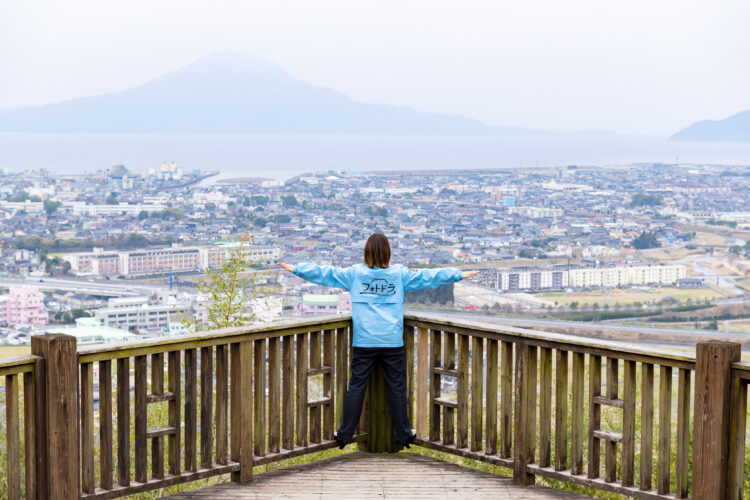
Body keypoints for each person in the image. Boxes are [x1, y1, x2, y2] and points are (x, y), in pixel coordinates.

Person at [279, 233, 479, 449]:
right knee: (396, 387)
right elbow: (428, 276)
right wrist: (457, 275)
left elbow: (327, 274)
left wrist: (297, 268)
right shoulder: (399, 274)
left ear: (366, 252)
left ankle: (345, 434)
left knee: (356, 387)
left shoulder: (355, 274)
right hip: (391, 340)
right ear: (388, 253)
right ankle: (404, 433)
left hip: (364, 340)